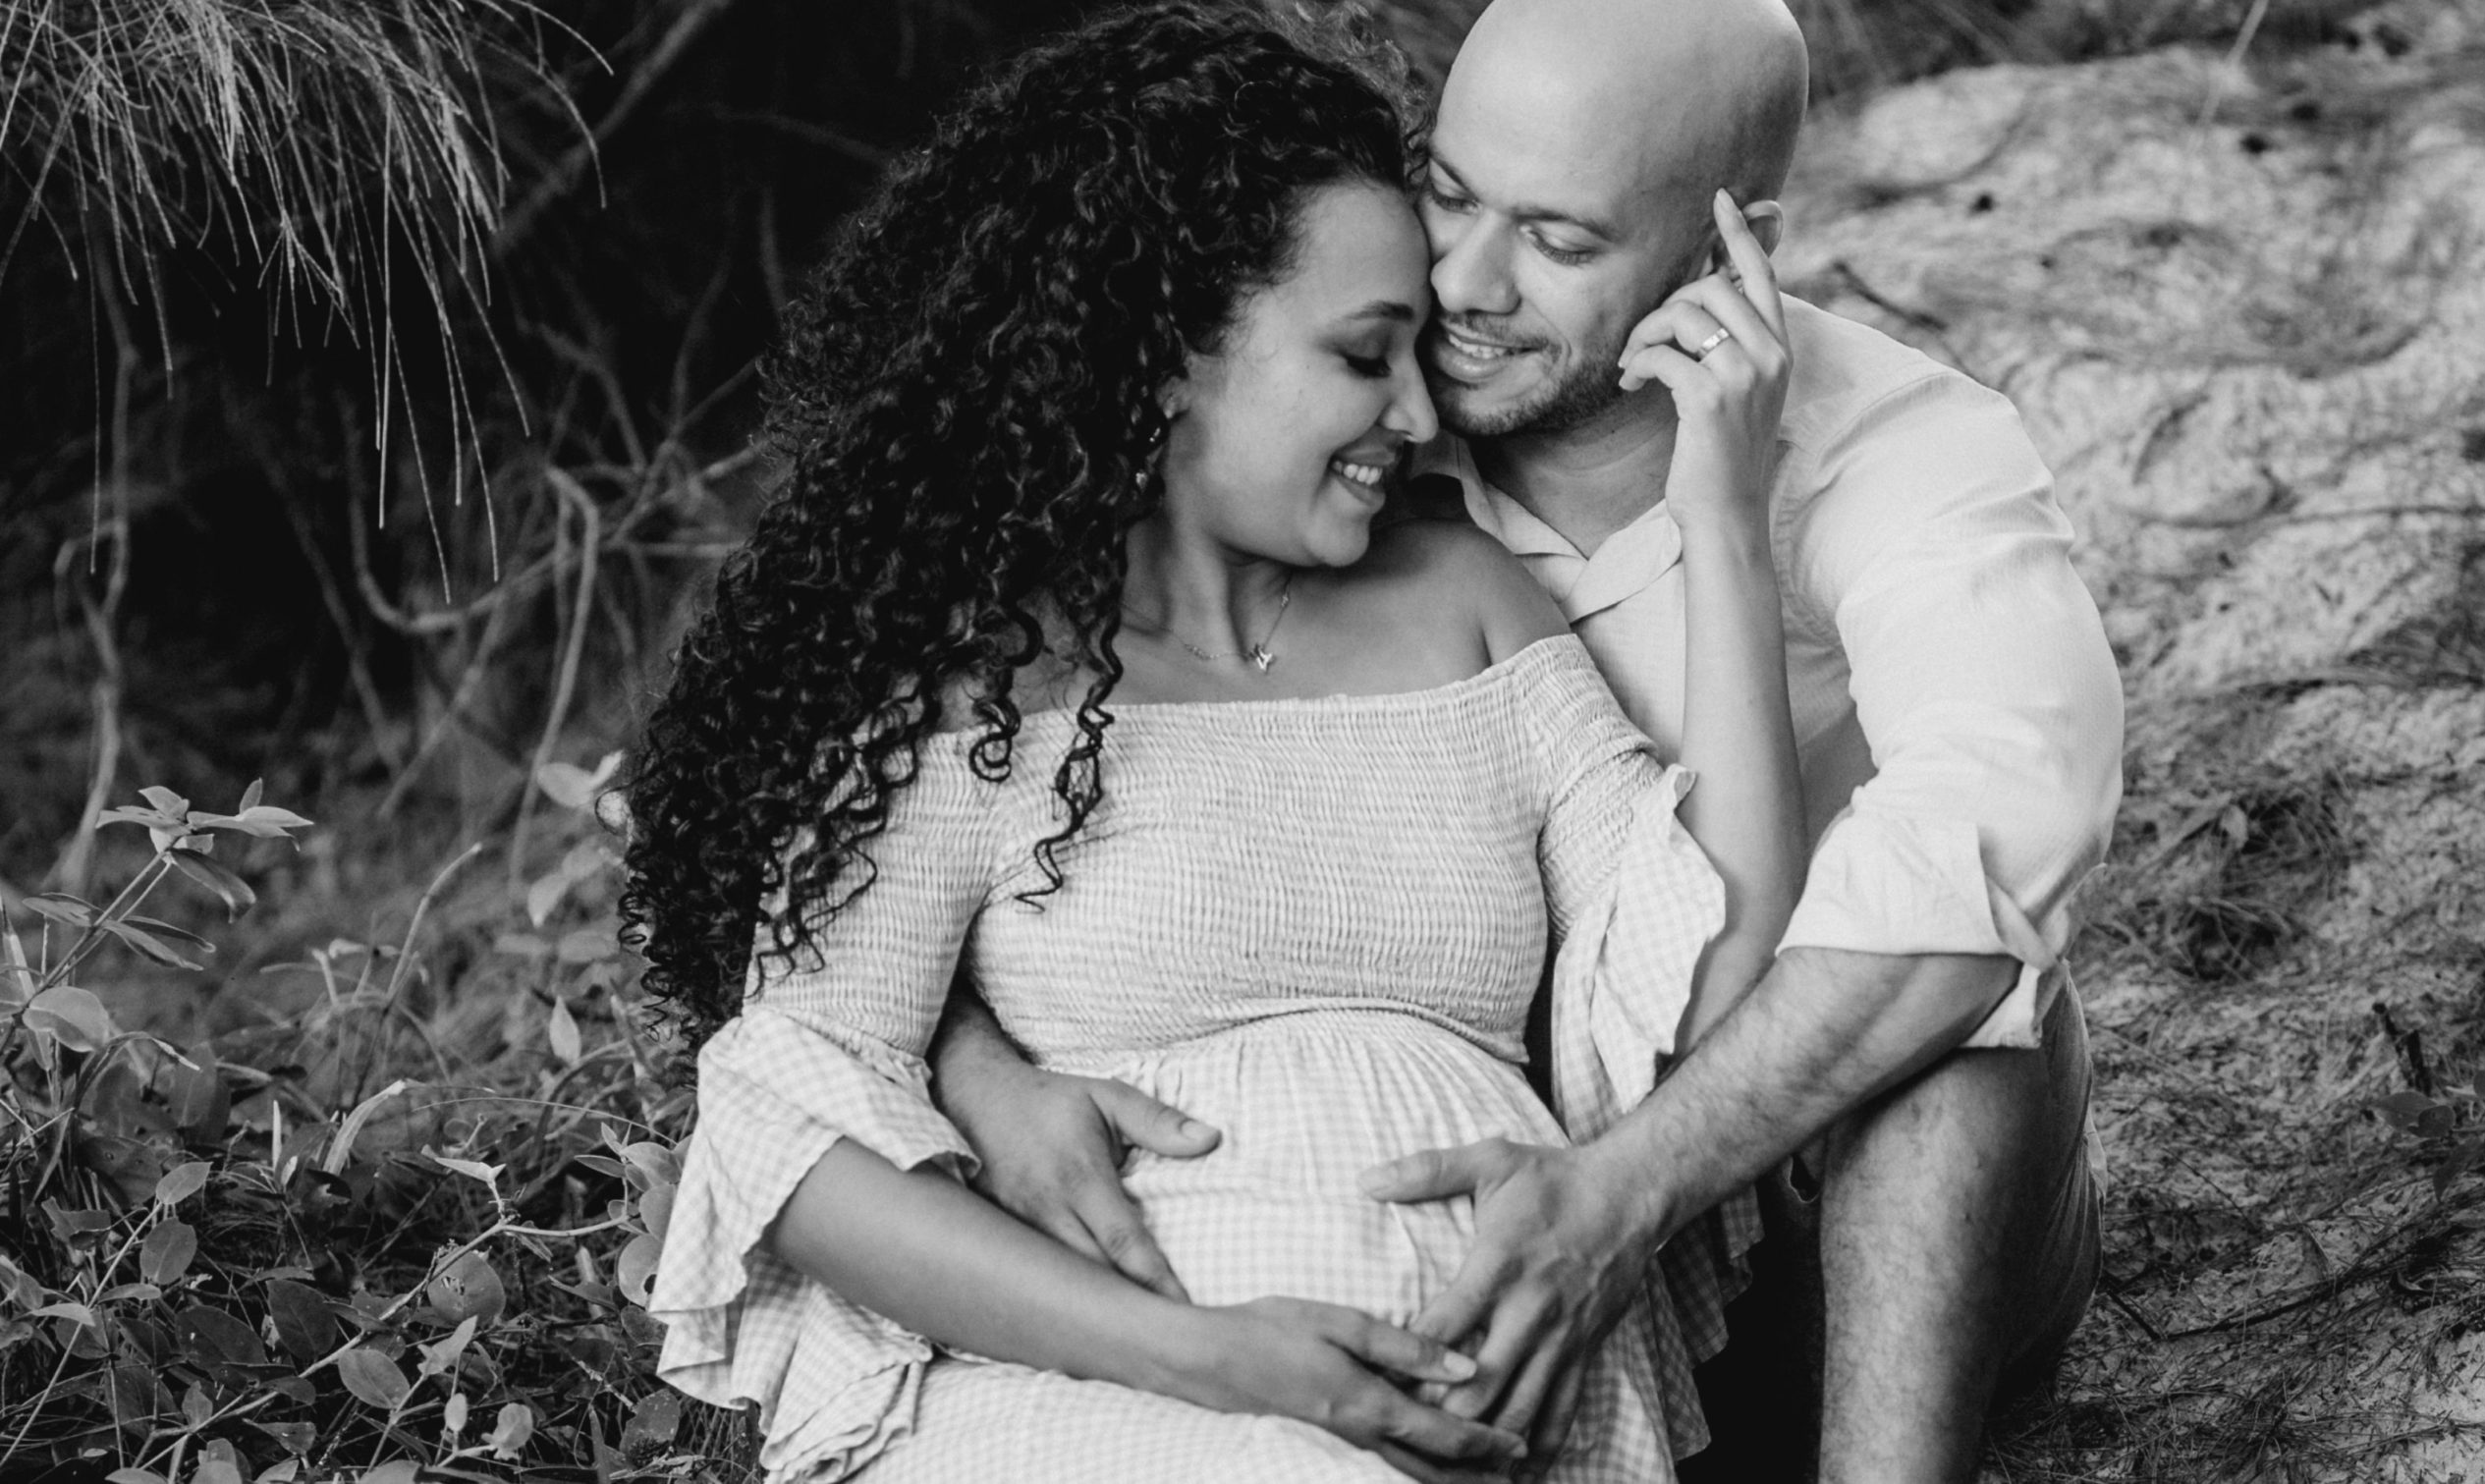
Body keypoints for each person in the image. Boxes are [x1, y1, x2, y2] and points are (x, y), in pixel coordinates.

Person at [931, 0, 2127, 1480]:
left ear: (1727, 248)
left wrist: (1626, 1189)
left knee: (1963, 1008)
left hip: (1832, 1238)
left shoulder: (1902, 456)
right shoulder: (1350, 418)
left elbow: (2002, 828)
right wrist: (976, 1067)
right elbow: (891, 798)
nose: (1465, 285)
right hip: (1494, 1264)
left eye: (1558, 242)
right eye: (1449, 193)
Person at [623, 6, 1810, 1481]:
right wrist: (1212, 1359)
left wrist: (1723, 525)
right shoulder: (980, 686)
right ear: (1169, 352)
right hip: (1089, 1407)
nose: (1422, 411)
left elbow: (1713, 972)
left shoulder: (1463, 604)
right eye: (1366, 356)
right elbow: (792, 1141)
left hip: (1475, 1422)